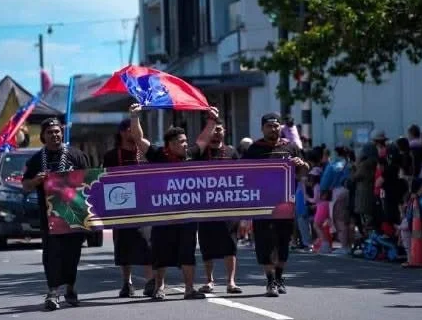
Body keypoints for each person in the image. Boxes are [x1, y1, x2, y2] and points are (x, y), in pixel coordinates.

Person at [130, 103, 217, 301]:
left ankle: (189, 289)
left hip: (187, 216)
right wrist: (135, 117)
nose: (186, 144)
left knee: (187, 251)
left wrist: (212, 119)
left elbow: (203, 140)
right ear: (170, 144)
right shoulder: (157, 155)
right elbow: (138, 139)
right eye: (181, 141)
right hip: (163, 216)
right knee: (161, 252)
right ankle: (159, 287)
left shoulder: (190, 155)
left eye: (186, 141)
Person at [22, 118, 90, 311]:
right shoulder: (36, 160)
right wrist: (37, 180)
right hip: (48, 216)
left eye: (57, 131)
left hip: (74, 213)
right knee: (52, 254)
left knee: (72, 254)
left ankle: (70, 288)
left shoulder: (77, 155)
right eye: (50, 132)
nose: (54, 135)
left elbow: (89, 182)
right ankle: (53, 291)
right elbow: (25, 185)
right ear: (43, 136)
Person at [243, 113, 309, 296]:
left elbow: (305, 171)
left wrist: (301, 163)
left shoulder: (290, 146)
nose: (273, 129)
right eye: (269, 126)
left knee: (282, 243)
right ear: (262, 128)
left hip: (285, 204)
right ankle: (270, 281)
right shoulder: (254, 149)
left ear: (280, 127)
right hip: (261, 204)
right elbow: (243, 175)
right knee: (265, 244)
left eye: (276, 125)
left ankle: (279, 277)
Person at [102, 119, 155, 298]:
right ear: (122, 133)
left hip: (144, 205)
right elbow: (104, 180)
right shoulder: (111, 156)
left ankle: (150, 281)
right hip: (121, 206)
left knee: (147, 243)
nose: (133, 133)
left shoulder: (146, 152)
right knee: (123, 246)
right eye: (129, 130)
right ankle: (127, 283)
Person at [191, 117, 242, 294]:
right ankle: (209, 281)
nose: (216, 133)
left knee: (230, 245)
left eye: (219, 129)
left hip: (228, 208)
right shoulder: (199, 153)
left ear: (224, 132)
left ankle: (231, 282)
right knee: (207, 245)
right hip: (205, 208)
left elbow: (242, 179)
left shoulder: (232, 152)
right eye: (213, 130)